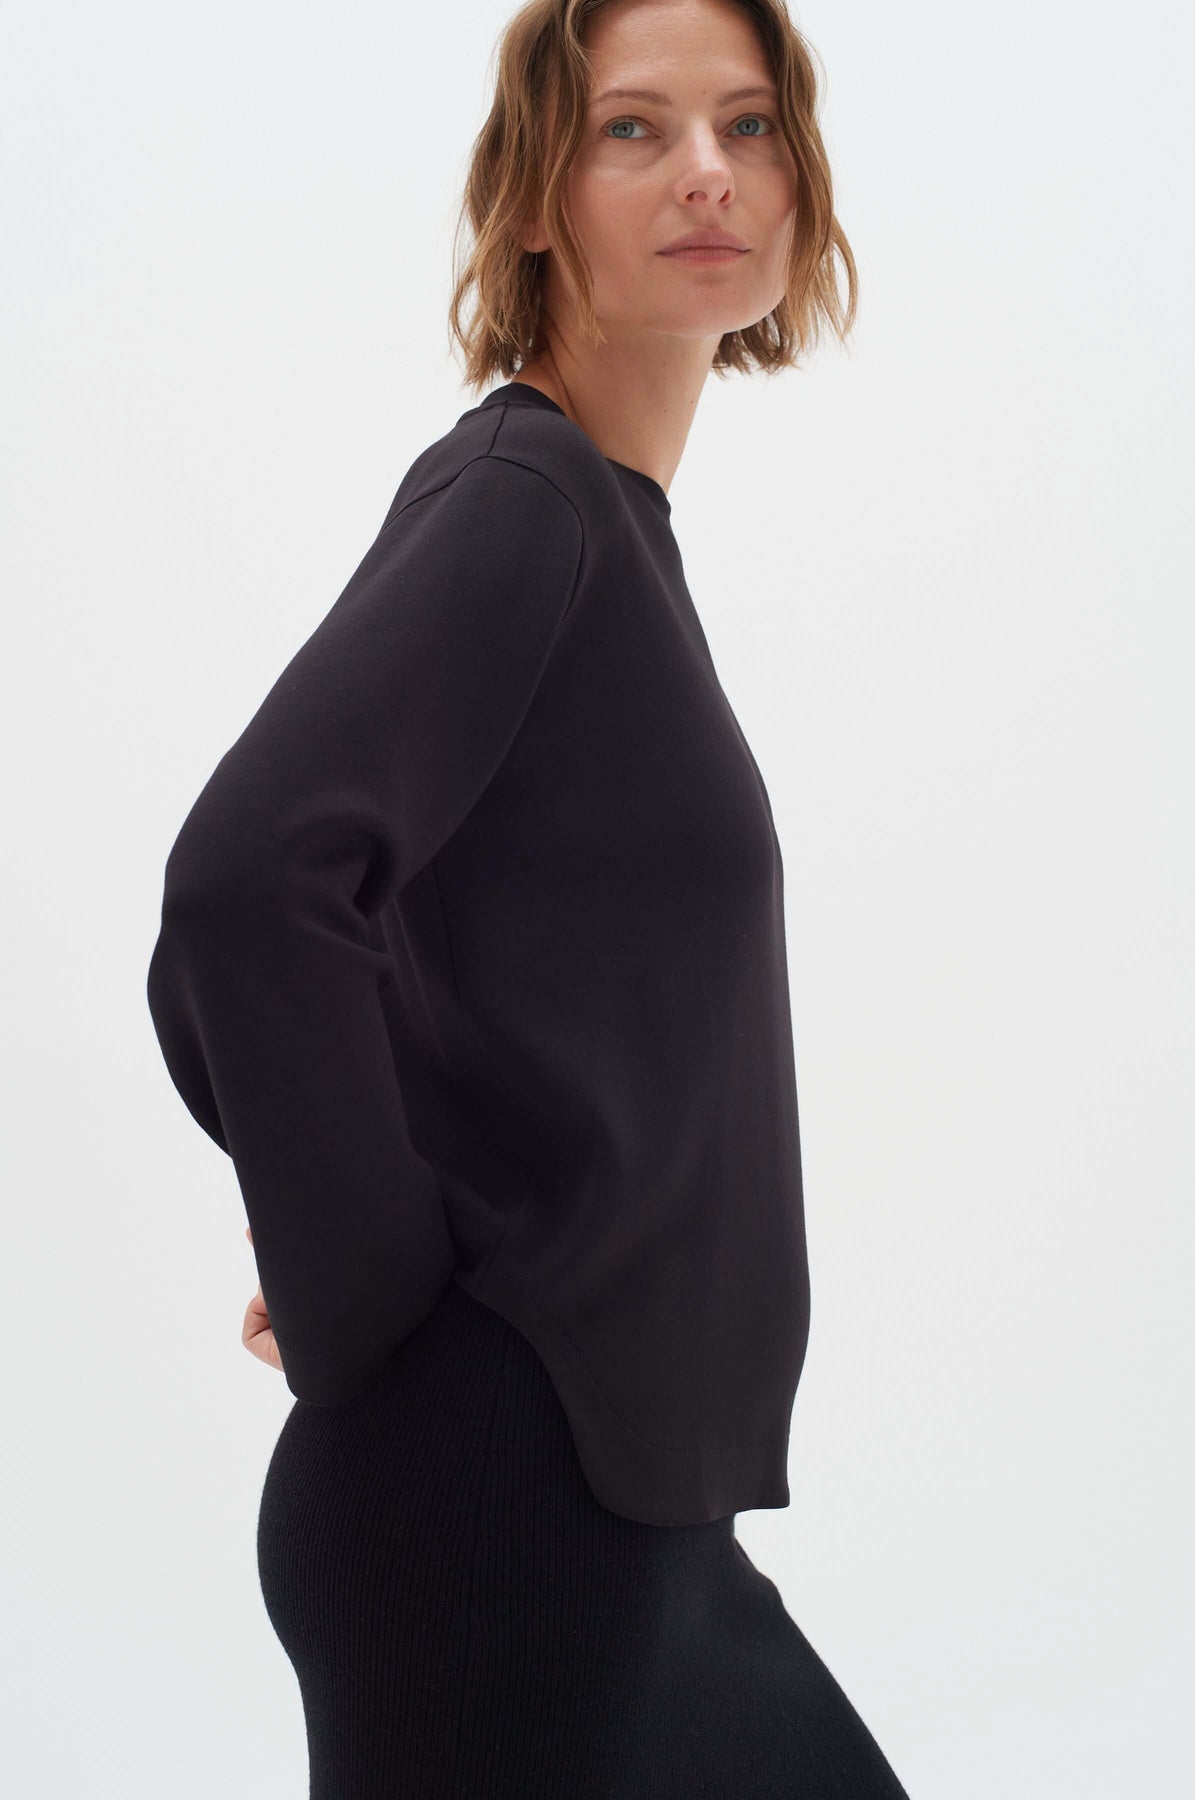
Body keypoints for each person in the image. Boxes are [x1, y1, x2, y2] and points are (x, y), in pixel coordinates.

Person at [147, 0, 914, 1793]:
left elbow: (393, 941)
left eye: (748, 123)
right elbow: (246, 885)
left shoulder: (606, 526)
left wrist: (369, 1203)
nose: (706, 170)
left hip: (634, 1528)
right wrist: (358, 1276)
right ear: (537, 196)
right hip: (497, 1516)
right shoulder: (527, 502)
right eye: (633, 128)